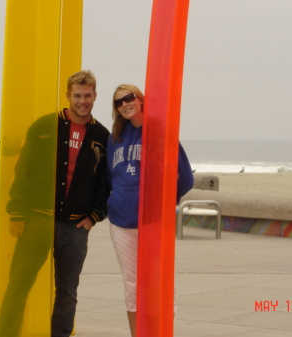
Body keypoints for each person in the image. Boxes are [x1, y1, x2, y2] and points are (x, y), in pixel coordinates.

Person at [0, 70, 110, 337]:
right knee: (18, 287)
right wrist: (16, 212)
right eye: (78, 95)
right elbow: (24, 170)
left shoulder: (102, 135)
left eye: (88, 95)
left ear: (95, 96)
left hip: (75, 229)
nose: (83, 101)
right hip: (36, 220)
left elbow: (105, 184)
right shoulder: (45, 126)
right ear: (68, 95)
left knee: (67, 293)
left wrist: (95, 216)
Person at [106, 84, 194, 337]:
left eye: (128, 98)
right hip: (121, 224)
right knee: (132, 286)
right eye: (118, 102)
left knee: (160, 284)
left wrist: (164, 205)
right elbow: (110, 178)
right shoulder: (115, 139)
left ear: (141, 99)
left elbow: (185, 178)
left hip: (153, 223)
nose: (124, 104)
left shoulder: (160, 132)